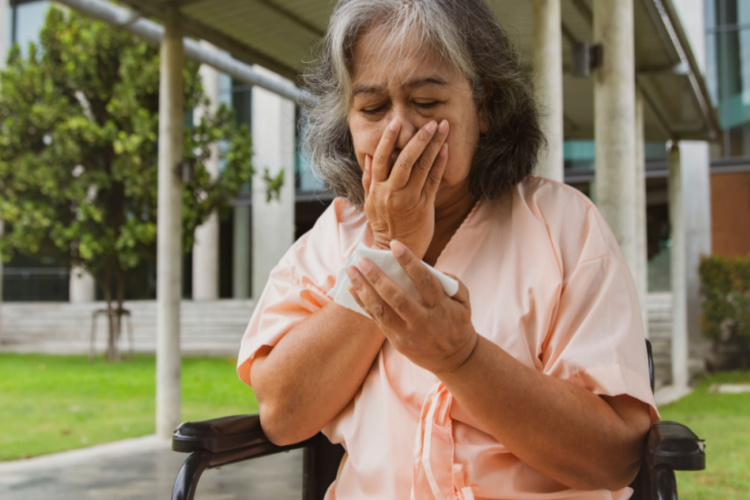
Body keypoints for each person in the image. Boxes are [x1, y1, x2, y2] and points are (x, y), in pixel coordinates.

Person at [237, 0, 658, 498]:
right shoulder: (328, 244)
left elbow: (613, 458)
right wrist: (386, 254)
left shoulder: (566, 227)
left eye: (428, 103)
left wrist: (462, 358)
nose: (399, 131)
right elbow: (282, 416)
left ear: (483, 106)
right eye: (372, 109)